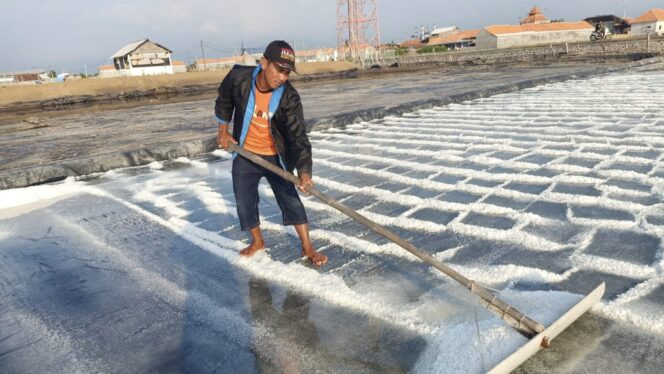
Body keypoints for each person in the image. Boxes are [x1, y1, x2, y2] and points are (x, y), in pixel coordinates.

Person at [215, 40, 328, 267]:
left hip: (276, 156)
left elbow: (298, 136)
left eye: (287, 72)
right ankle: (257, 242)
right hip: (245, 153)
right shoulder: (239, 78)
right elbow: (224, 100)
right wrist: (223, 132)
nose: (283, 77)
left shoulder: (289, 97)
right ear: (264, 62)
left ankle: (307, 246)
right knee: (244, 202)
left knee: (290, 199)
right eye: (279, 70)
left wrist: (304, 172)